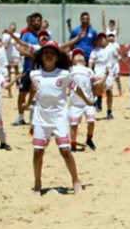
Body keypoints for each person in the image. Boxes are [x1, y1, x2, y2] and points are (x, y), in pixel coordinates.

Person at [26, 42, 92, 195]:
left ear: (57, 57)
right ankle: (37, 182)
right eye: (46, 52)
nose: (49, 55)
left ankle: (76, 180)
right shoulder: (34, 74)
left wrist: (87, 100)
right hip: (41, 119)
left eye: (52, 53)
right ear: (41, 56)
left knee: (65, 150)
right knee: (38, 152)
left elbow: (75, 87)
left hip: (59, 118)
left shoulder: (63, 75)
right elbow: (32, 90)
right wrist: (28, 103)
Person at [68, 49, 97, 151]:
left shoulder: (89, 71)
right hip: (75, 103)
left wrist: (96, 96)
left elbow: (94, 85)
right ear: (73, 60)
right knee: (73, 124)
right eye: (76, 55)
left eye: (81, 55)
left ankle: (89, 139)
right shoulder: (71, 69)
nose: (79, 56)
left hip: (88, 102)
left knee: (91, 121)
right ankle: (73, 144)